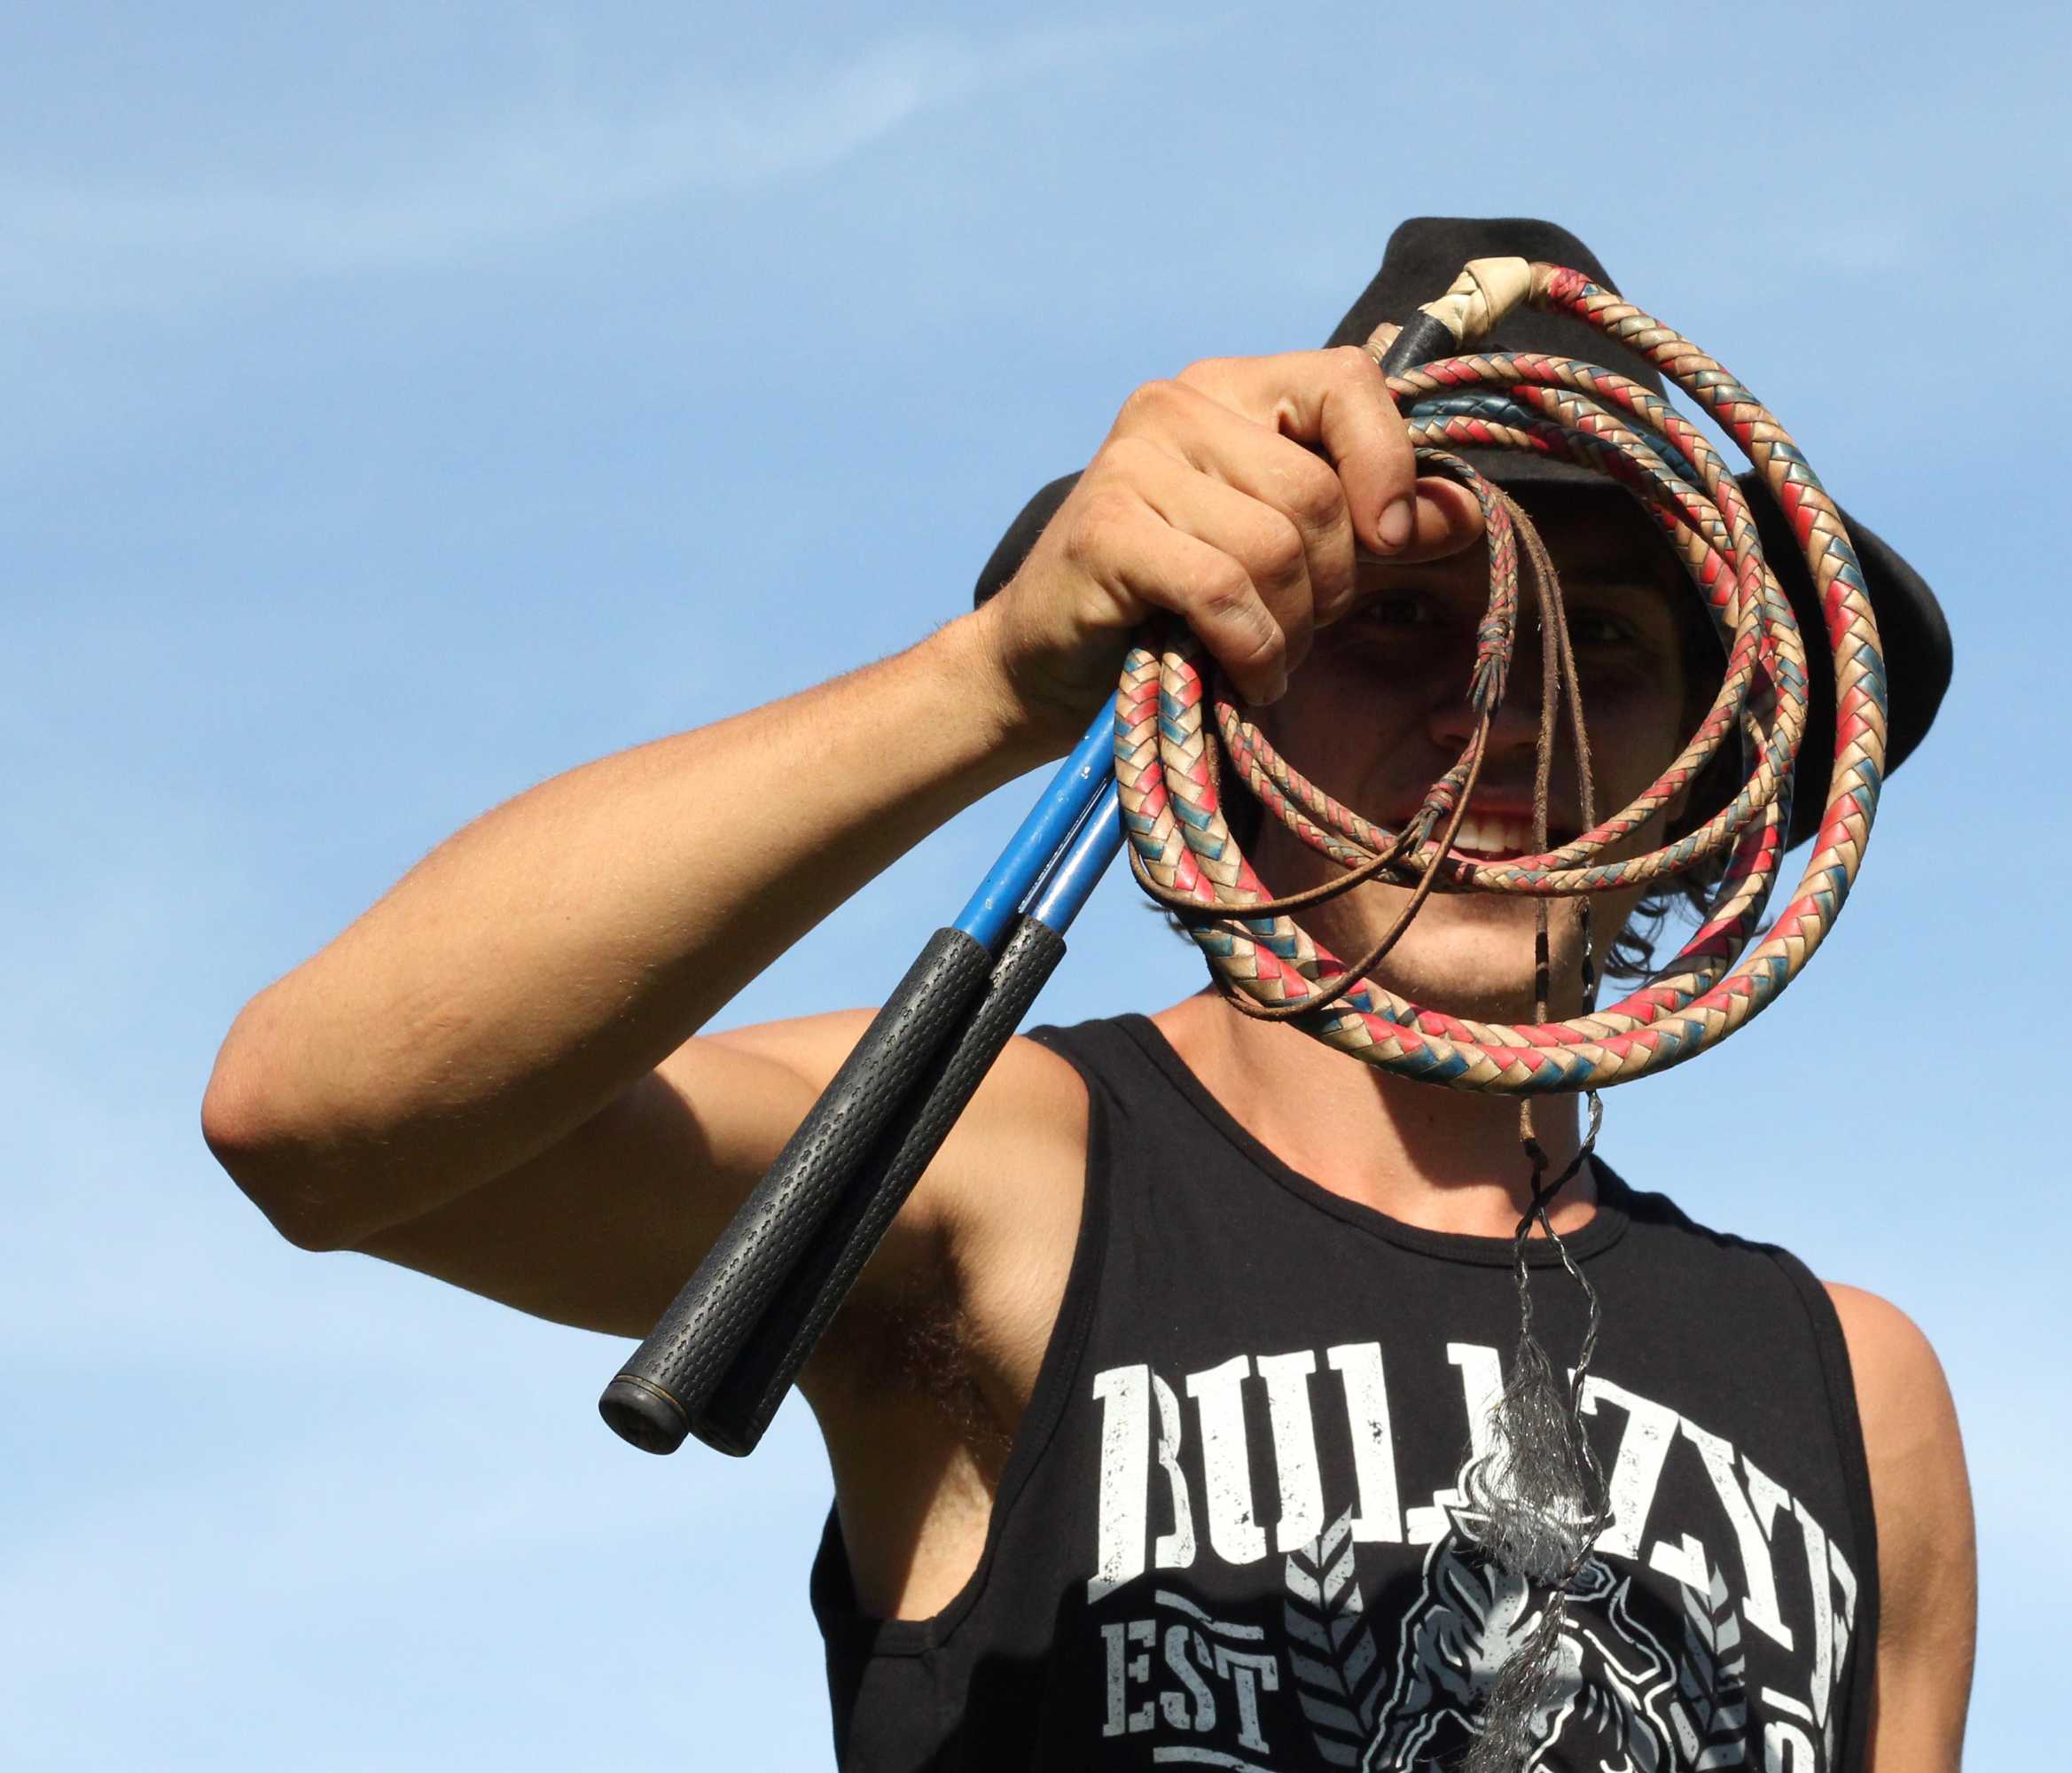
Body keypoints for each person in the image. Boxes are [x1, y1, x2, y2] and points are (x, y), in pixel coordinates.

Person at [202, 217, 1975, 1771]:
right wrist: (992, 681)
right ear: (1226, 694)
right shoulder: (1013, 1171)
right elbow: (323, 1115)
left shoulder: (1858, 1393)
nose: (1500, 704)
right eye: (1394, 621)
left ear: (1709, 768)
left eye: (1605, 645)